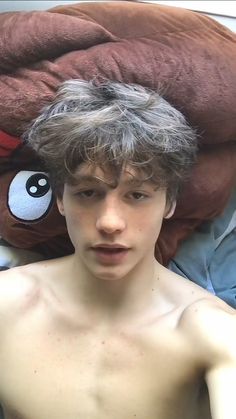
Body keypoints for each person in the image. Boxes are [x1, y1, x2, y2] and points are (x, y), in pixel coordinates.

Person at [0, 79, 235, 419]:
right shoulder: (6, 305)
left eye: (137, 195)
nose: (110, 222)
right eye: (88, 193)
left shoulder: (212, 332)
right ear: (61, 199)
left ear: (168, 202)